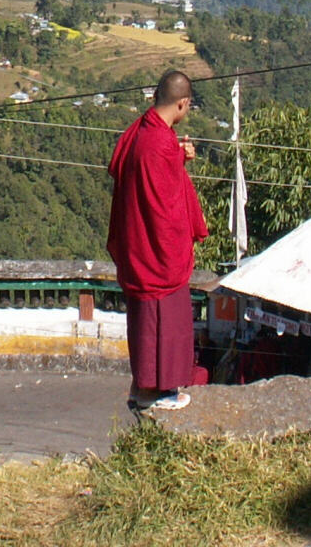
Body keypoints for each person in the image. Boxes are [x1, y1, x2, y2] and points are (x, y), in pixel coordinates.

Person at [107, 69, 209, 412]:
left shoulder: (144, 130)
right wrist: (181, 243)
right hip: (157, 252)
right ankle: (160, 391)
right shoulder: (160, 143)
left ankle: (141, 387)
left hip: (137, 244)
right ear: (182, 104)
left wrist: (179, 157)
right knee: (164, 319)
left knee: (143, 321)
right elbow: (165, 211)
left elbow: (153, 172)